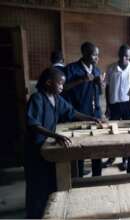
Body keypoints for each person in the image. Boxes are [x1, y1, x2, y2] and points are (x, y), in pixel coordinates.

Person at [25, 68, 101, 218]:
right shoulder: (37, 98)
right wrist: (54, 135)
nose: (62, 87)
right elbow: (33, 124)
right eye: (60, 83)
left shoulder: (57, 99)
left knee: (50, 181)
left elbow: (72, 112)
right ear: (48, 82)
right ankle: (34, 215)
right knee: (36, 185)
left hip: (47, 147)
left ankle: (50, 211)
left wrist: (91, 118)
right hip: (34, 149)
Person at [64, 42, 103, 177]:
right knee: (79, 148)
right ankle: (78, 177)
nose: (97, 58)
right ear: (85, 54)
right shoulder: (71, 69)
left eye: (98, 55)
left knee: (98, 146)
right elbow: (63, 89)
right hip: (79, 114)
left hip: (95, 113)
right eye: (94, 55)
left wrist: (100, 84)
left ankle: (97, 176)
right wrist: (82, 80)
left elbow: (100, 93)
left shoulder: (96, 70)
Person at [103, 44, 130, 171]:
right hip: (114, 105)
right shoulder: (111, 68)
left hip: (128, 105)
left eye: (127, 56)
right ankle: (111, 157)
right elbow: (107, 88)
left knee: (126, 132)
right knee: (112, 132)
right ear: (118, 55)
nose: (124, 58)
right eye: (122, 55)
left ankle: (125, 160)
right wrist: (108, 106)